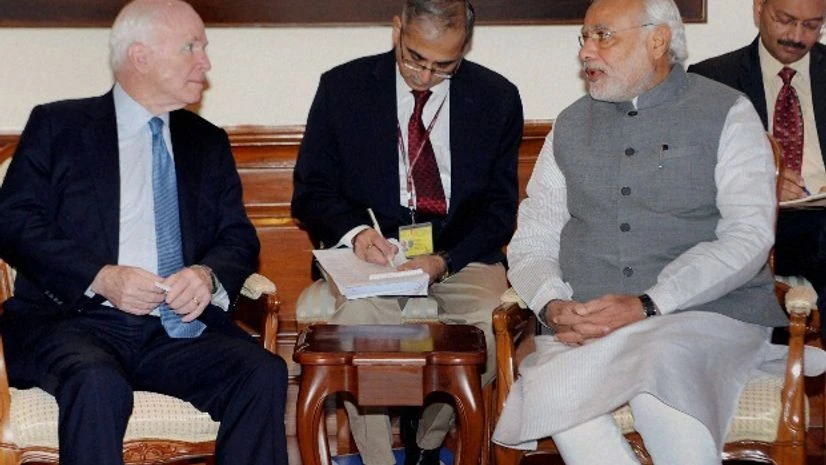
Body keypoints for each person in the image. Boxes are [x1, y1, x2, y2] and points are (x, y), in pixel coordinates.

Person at [491, 0, 807, 463]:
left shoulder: (727, 113)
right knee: (562, 397)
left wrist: (649, 303)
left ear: (657, 41)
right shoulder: (570, 126)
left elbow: (747, 237)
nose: (586, 52)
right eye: (585, 37)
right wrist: (553, 304)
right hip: (588, 327)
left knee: (660, 376)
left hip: (707, 317)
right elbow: (535, 236)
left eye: (603, 35)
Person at [0, 1, 288, 464]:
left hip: (176, 331)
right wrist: (101, 275)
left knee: (261, 373)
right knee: (97, 382)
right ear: (141, 56)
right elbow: (13, 221)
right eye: (191, 47)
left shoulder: (206, 141)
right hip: (74, 324)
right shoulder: (60, 127)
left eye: (204, 48)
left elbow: (238, 237)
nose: (206, 62)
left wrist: (206, 275)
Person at [291, 0, 523, 463]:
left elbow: (500, 209)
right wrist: (356, 233)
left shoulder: (496, 97)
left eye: (444, 65)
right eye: (415, 58)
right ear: (397, 30)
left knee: (484, 324)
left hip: (460, 252)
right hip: (372, 254)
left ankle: (426, 442)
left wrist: (445, 260)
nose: (425, 76)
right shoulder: (344, 88)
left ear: (465, 48)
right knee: (363, 329)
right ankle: (379, 458)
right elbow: (310, 191)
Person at [689, 0, 826, 316]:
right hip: (760, 227)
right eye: (786, 20)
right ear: (758, 9)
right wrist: (763, 182)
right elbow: (693, 176)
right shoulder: (712, 79)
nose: (797, 35)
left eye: (812, 26)